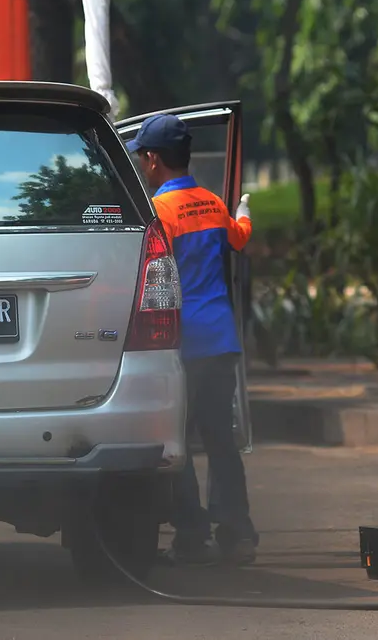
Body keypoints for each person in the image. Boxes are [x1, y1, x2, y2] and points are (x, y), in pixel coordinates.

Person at [126, 113, 258, 566]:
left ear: (153, 159)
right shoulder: (212, 203)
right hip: (221, 340)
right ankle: (237, 532)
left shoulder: (159, 212)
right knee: (221, 440)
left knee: (175, 443)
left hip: (181, 345)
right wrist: (243, 213)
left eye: (143, 155)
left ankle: (190, 533)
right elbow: (239, 241)